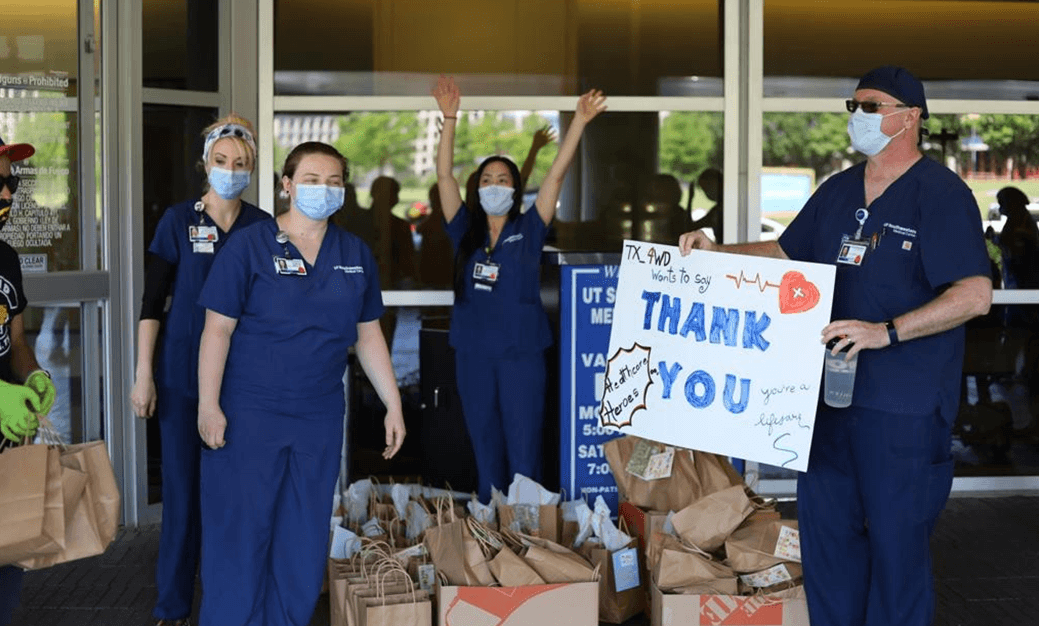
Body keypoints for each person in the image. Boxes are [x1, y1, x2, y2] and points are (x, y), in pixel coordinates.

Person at [678, 66, 992, 626]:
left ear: (910, 116)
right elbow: (786, 253)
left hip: (903, 408)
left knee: (897, 548)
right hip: (825, 402)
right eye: (855, 106)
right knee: (827, 544)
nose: (859, 117)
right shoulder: (840, 190)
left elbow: (974, 295)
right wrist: (715, 250)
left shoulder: (941, 195)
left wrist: (885, 332)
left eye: (872, 106)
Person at [195, 141, 405, 626]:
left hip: (318, 417)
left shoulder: (353, 253)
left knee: (303, 536)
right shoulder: (248, 247)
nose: (323, 189)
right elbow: (217, 330)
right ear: (287, 186)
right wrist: (209, 405)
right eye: (311, 179)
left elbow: (368, 334)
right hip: (249, 414)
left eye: (334, 181)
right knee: (242, 534)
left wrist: (392, 404)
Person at [432, 75, 606, 501]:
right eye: (487, 179)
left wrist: (579, 122)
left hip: (522, 357)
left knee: (524, 445)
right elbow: (443, 176)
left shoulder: (529, 229)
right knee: (485, 444)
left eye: (504, 179)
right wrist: (450, 118)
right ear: (478, 188)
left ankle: (528, 530)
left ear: (515, 188)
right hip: (474, 355)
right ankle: (492, 526)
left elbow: (556, 176)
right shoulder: (464, 231)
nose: (495, 185)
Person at [129, 113, 269, 626]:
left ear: (251, 169)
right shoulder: (177, 220)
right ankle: (172, 608)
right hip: (182, 375)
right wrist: (143, 372)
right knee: (184, 500)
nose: (230, 169)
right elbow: (151, 301)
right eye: (221, 160)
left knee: (236, 501)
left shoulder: (263, 227)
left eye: (240, 163)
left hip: (245, 381)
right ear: (204, 164)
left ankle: (229, 605)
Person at [0, 137, 58, 626]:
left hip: (8, 445)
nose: (6, 193)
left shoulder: (6, 257)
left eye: (10, 181)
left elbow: (14, 337)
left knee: (7, 568)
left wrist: (34, 375)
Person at [689, 167, 723, 243]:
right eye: (704, 189)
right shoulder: (717, 209)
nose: (706, 193)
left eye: (707, 188)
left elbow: (690, 227)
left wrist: (689, 200)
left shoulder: (718, 211)